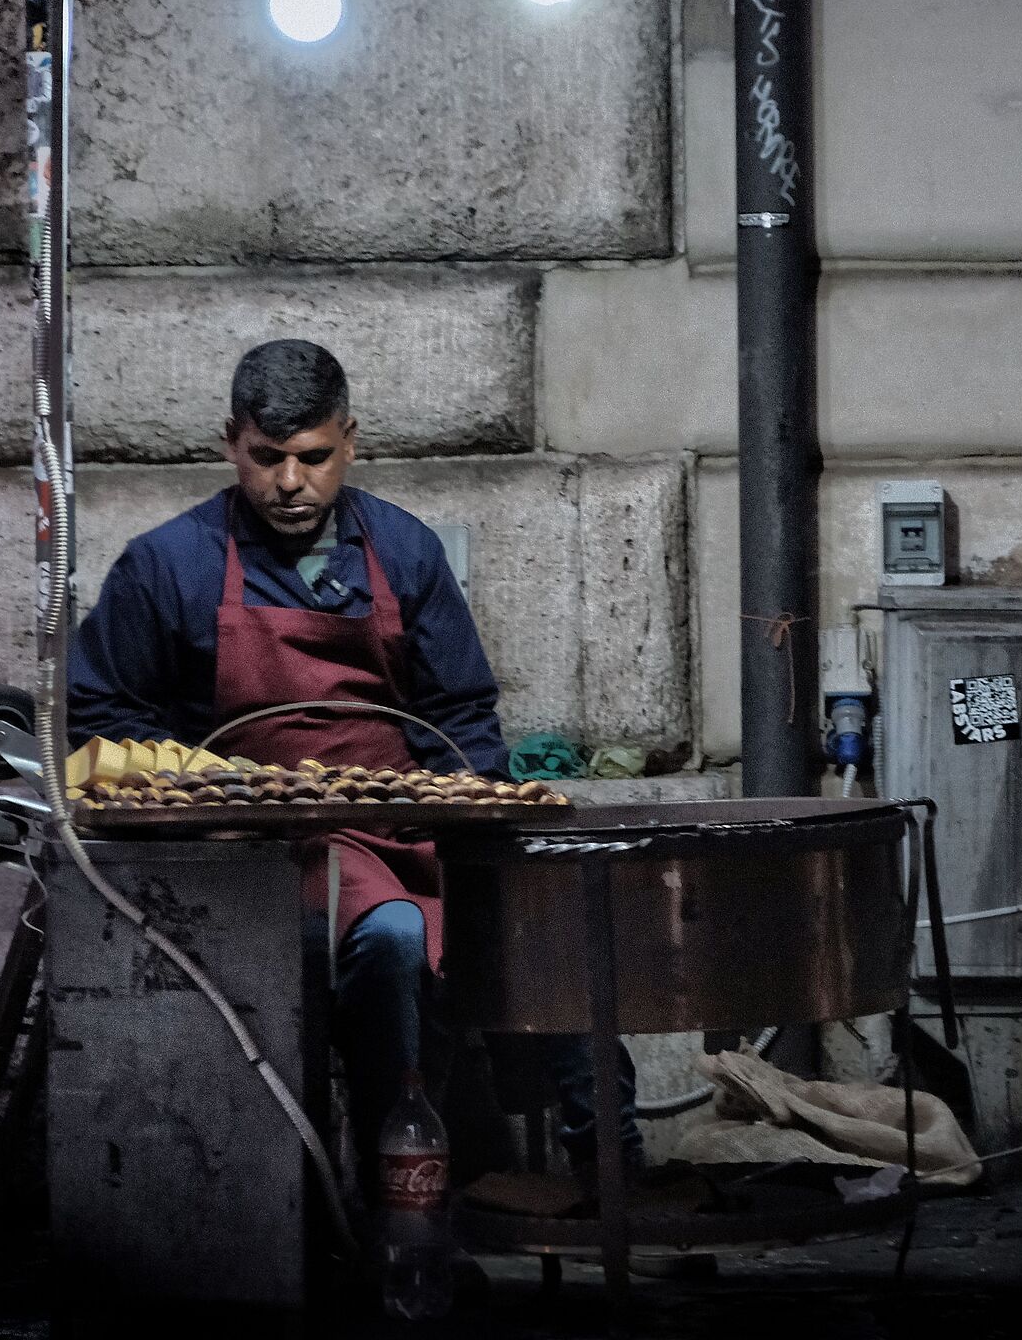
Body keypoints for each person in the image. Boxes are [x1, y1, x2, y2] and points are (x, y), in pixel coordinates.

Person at [69, 338, 639, 1189]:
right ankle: (388, 1196)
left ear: (351, 442)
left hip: (403, 833)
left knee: (541, 930)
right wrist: (216, 794)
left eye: (313, 458)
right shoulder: (168, 566)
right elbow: (103, 711)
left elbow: (460, 715)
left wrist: (465, 809)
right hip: (256, 852)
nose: (289, 483)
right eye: (267, 459)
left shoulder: (404, 553)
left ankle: (609, 1175)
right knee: (394, 940)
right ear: (232, 443)